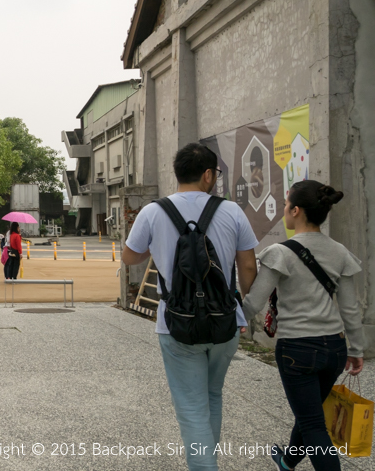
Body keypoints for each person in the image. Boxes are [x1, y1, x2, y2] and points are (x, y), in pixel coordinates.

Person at [123, 142, 258, 471]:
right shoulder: (231, 212)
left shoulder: (154, 212)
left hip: (176, 324)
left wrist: (158, 247)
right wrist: (242, 309)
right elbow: (249, 269)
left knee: (191, 408)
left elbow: (130, 256)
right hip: (224, 323)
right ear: (208, 175)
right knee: (212, 395)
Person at [241, 181, 365, 471]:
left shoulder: (280, 252)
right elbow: (349, 308)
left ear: (296, 210)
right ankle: (288, 460)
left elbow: (253, 302)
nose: (284, 210)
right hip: (334, 348)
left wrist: (232, 320)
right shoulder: (340, 252)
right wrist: (356, 349)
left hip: (297, 349)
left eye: (286, 205)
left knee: (313, 425)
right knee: (309, 412)